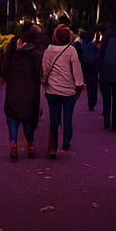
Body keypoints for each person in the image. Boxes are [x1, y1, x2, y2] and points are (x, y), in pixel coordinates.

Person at [41, 24, 85, 159]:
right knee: (68, 117)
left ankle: (53, 146)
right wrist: (79, 84)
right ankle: (66, 143)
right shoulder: (71, 50)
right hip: (69, 91)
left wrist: (44, 81)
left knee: (54, 118)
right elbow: (76, 69)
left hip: (52, 90)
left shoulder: (48, 50)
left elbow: (45, 69)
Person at [2, 24, 43, 160]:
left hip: (14, 86)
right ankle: (30, 144)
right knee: (29, 117)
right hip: (31, 88)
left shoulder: (13, 48)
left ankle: (13, 144)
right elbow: (39, 71)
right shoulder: (36, 51)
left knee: (12, 116)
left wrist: (8, 78)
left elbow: (4, 67)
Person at [75, 26, 101, 112]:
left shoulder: (81, 44)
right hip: (93, 66)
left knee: (90, 82)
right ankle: (92, 100)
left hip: (86, 65)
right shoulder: (93, 46)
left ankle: (91, 100)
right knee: (93, 83)